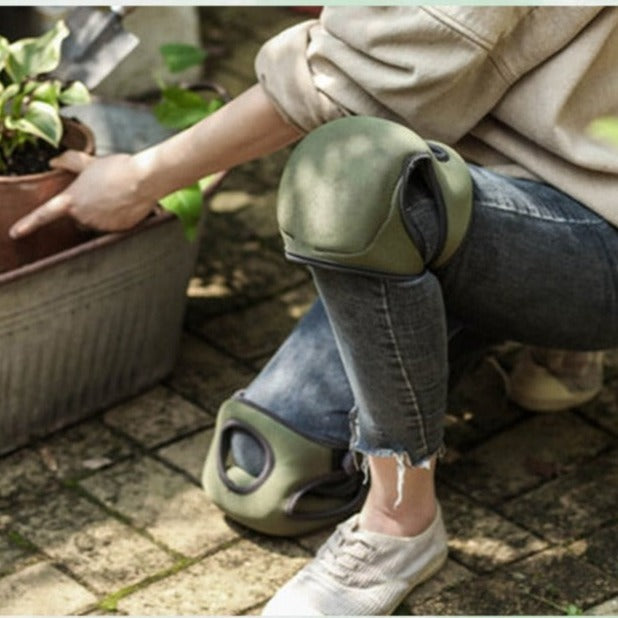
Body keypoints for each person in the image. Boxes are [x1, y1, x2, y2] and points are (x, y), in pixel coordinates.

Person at [9, 7, 618, 616]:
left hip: (596, 219)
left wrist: (142, 177)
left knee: (351, 172)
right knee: (266, 476)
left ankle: (401, 522)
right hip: (468, 189)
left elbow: (347, 77)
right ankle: (497, 302)